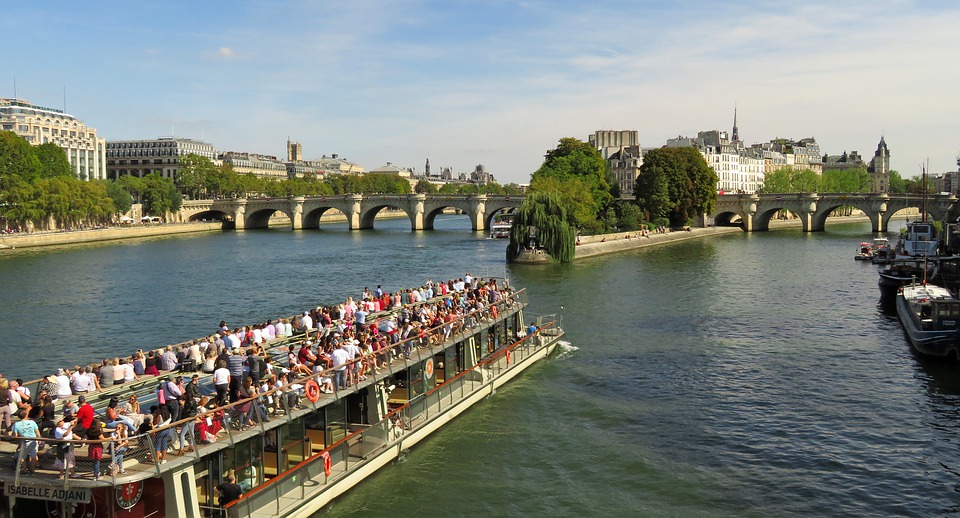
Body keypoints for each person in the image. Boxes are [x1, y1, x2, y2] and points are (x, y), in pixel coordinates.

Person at [12, 407, 40, 474]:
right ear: (26, 415)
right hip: (34, 440)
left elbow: (15, 436)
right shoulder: (32, 422)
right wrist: (39, 439)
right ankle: (32, 470)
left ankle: (24, 469)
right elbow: (37, 432)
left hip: (25, 441)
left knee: (22, 456)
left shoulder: (16, 424)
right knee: (33, 455)